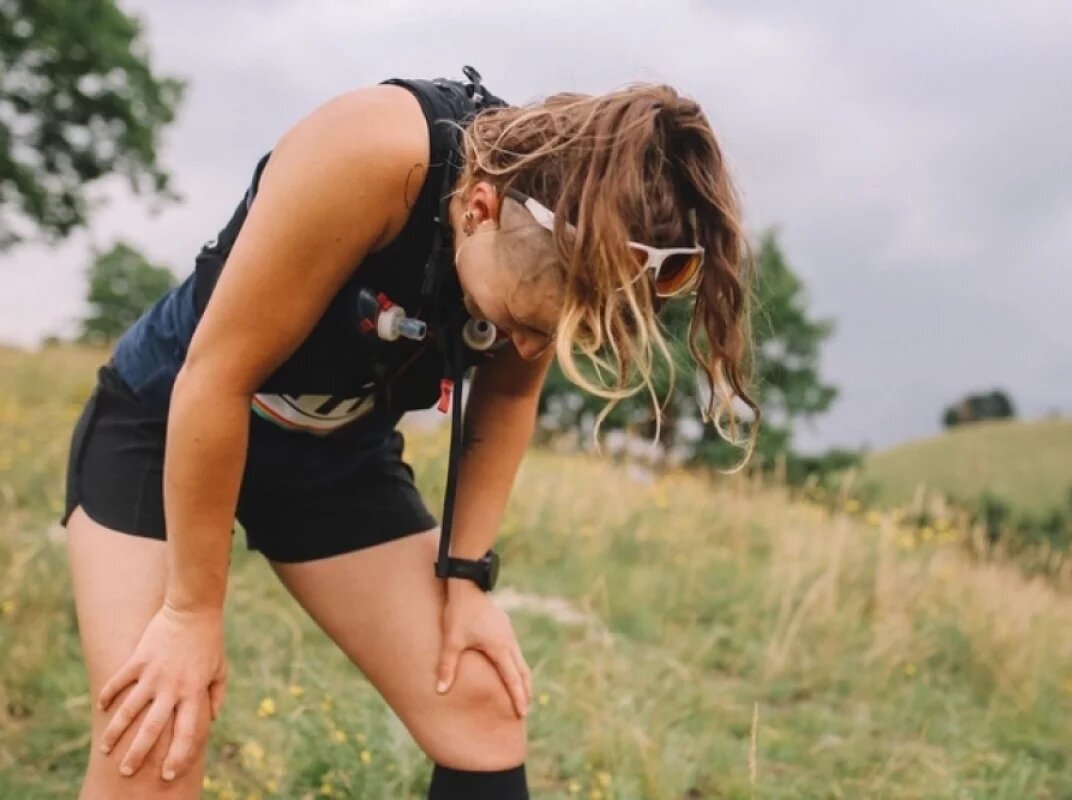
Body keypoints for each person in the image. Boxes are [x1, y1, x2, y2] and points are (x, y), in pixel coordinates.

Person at [62, 67, 758, 799]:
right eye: (521, 324)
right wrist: (190, 614)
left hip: (334, 454)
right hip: (169, 419)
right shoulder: (374, 151)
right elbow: (214, 380)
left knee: (482, 707)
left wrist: (465, 578)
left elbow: (507, 398)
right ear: (479, 209)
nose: (527, 349)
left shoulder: (558, 215)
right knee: (157, 736)